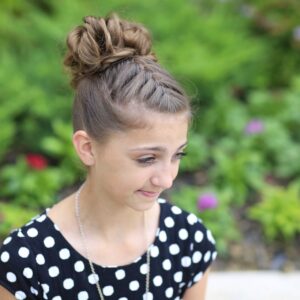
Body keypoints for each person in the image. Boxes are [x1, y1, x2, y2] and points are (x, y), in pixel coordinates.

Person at [0, 13, 217, 300]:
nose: (166, 179)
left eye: (178, 155)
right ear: (87, 148)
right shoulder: (26, 261)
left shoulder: (188, 240)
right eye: (147, 158)